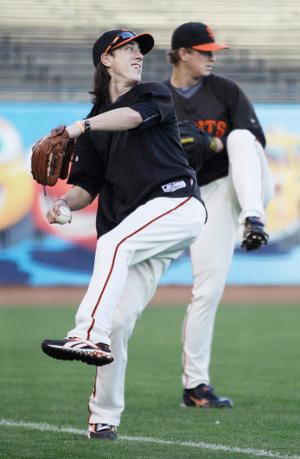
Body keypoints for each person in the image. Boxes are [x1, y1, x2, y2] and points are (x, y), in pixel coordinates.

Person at [40, 29, 207, 439]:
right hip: (142, 231)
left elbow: (130, 118)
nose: (137, 55)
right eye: (127, 49)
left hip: (177, 205)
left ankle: (82, 333)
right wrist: (64, 205)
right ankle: (104, 419)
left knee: (113, 242)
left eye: (140, 49)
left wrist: (81, 126)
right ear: (105, 61)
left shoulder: (151, 94)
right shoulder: (96, 122)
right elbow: (87, 186)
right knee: (117, 325)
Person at [164, 22, 274, 408]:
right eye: (204, 51)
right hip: (200, 193)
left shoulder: (225, 90)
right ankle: (196, 388)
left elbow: (253, 145)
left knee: (240, 137)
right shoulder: (158, 98)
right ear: (182, 53)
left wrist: (210, 142)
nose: (212, 57)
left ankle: (255, 220)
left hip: (246, 186)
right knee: (205, 290)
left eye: (213, 51)